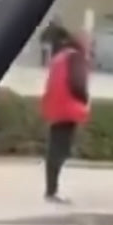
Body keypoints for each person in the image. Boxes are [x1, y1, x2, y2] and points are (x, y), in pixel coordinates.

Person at [40, 24, 90, 203]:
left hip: (55, 107)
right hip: (69, 108)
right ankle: (52, 192)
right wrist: (84, 99)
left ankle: (50, 190)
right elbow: (78, 83)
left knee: (55, 148)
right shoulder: (76, 57)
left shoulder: (59, 57)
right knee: (60, 150)